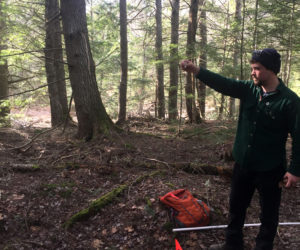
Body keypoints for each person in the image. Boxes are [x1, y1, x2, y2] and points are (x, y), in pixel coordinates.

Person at [180, 48, 300, 250]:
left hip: (271, 169)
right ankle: (232, 245)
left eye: (257, 69)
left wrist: (295, 170)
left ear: (271, 70)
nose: (252, 72)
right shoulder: (248, 89)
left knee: (269, 216)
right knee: (236, 209)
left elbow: (299, 137)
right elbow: (224, 83)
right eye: (252, 68)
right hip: (243, 165)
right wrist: (196, 70)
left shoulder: (290, 101)